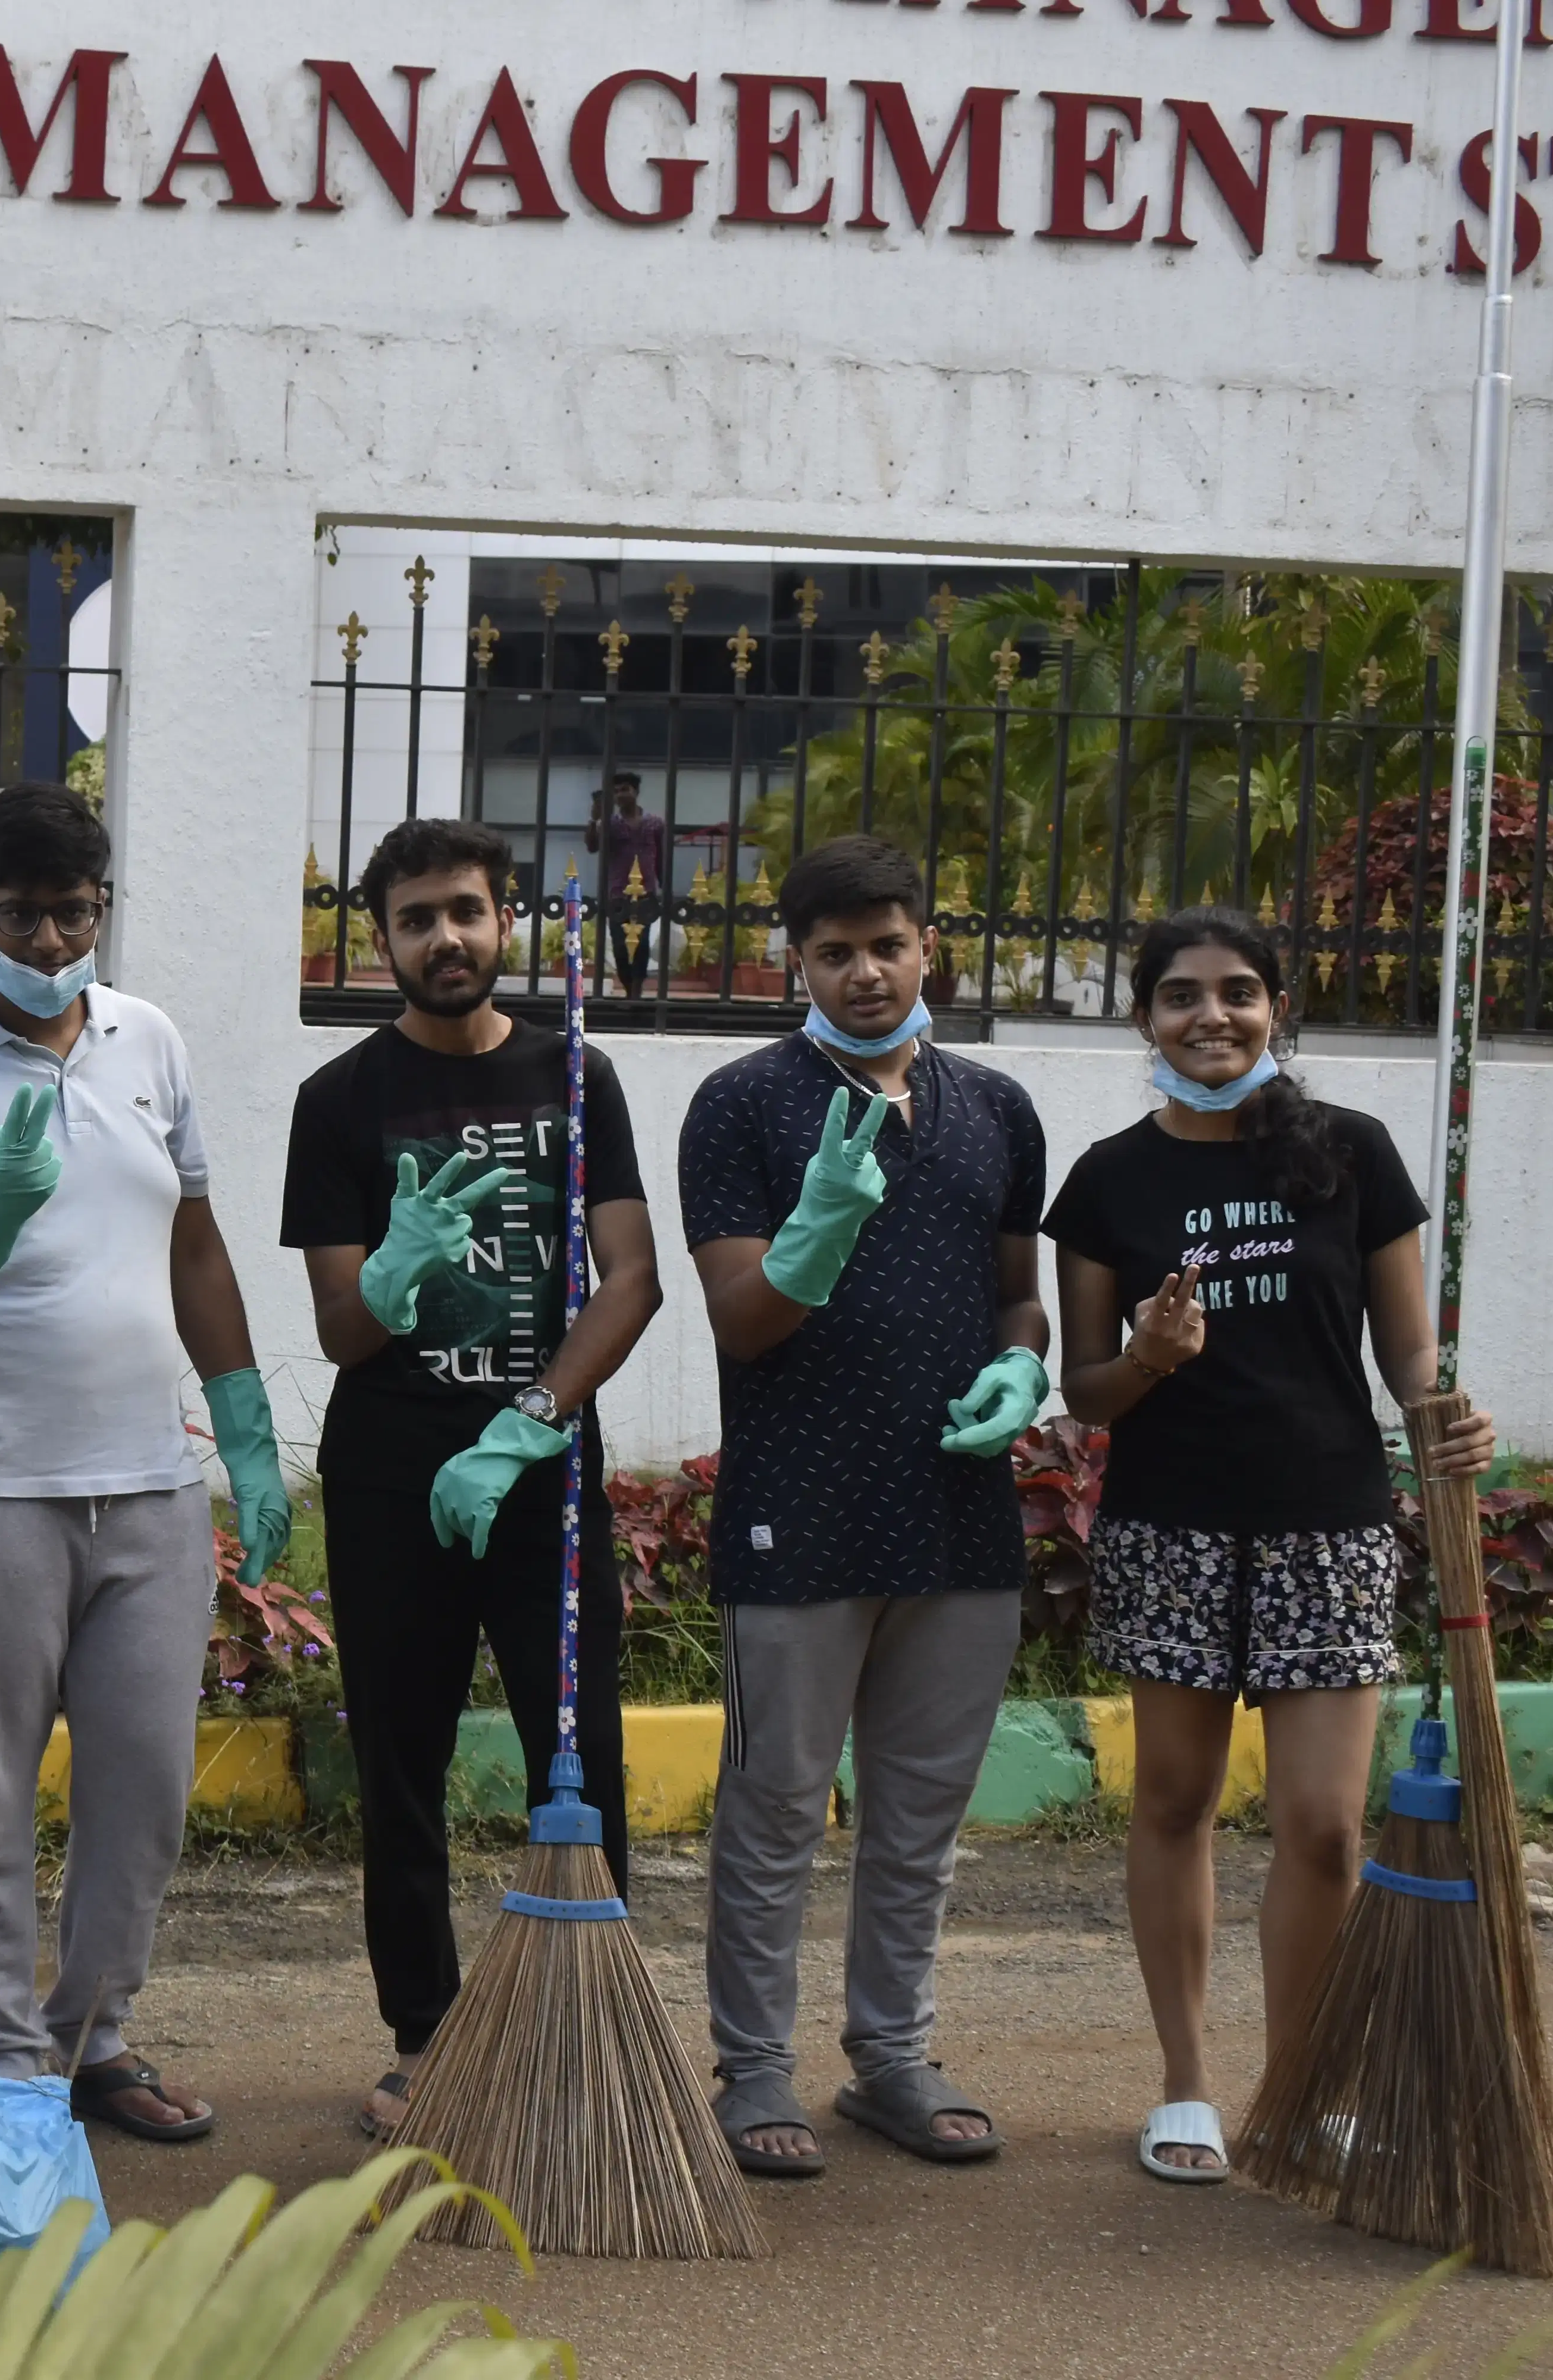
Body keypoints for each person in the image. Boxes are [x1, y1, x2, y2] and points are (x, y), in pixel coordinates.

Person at [0, 780, 291, 2144]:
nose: (46, 940)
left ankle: (94, 2034)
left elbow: (194, 1241)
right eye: (19, 913)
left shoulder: (149, 1037)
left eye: (71, 911)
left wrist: (248, 1427)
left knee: (144, 1784)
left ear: (104, 908)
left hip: (145, 1478)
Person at [1042, 909, 1486, 2185]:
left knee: (1325, 1825)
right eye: (1182, 995)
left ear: (1277, 1006)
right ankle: (1186, 2082)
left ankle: (1300, 2087)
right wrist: (1147, 1358)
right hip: (1171, 1527)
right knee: (1175, 1801)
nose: (1212, 1016)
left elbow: (1406, 1348)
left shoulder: (1351, 1154)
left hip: (1329, 1524)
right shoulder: (1110, 1180)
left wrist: (1437, 1409)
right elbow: (1085, 1393)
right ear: (1145, 1019)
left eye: (1240, 992)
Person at [281, 819, 660, 2143]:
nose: (446, 936)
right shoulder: (341, 1100)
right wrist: (392, 1272)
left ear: (507, 922)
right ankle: (426, 2035)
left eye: (467, 910)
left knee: (588, 1750)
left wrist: (532, 1419)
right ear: (379, 939)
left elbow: (632, 1278)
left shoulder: (577, 1074)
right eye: (416, 917)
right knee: (403, 1753)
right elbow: (338, 1322)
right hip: (391, 1473)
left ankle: (588, 2021)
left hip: (542, 1473)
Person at [678, 833, 1048, 2177]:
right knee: (773, 1805)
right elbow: (739, 1320)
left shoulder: (994, 1107)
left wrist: (1025, 1357)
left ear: (928, 945)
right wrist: (814, 1236)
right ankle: (756, 2067)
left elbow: (1017, 1285)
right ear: (796, 961)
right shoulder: (742, 1104)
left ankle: (891, 2055)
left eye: (887, 944)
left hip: (958, 1507)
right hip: (800, 1509)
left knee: (920, 1816)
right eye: (833, 950)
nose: (865, 970)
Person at [581, 771, 669, 994]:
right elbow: (592, 847)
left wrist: (664, 885)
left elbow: (661, 857)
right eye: (617, 791)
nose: (621, 795)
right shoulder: (609, 824)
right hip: (618, 893)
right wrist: (594, 819)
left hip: (646, 892)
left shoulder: (655, 824)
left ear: (636, 792)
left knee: (641, 944)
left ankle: (636, 990)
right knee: (620, 946)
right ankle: (629, 986)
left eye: (625, 790)